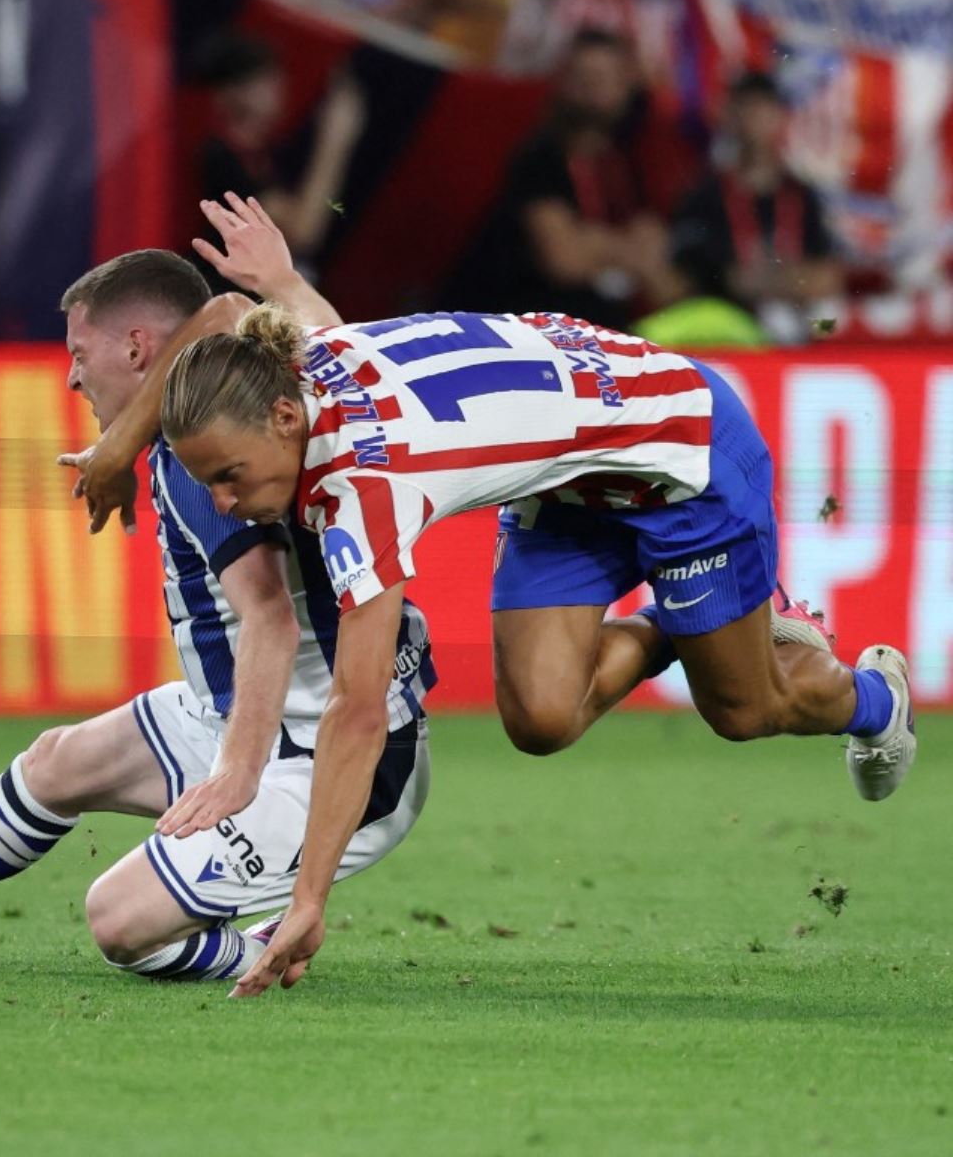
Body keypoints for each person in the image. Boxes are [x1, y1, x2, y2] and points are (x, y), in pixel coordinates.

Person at [140, 249, 916, 996]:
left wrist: (308, 899)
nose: (224, 504)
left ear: (285, 419)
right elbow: (260, 317)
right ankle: (683, 624)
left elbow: (360, 709)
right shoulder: (297, 362)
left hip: (681, 452)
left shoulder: (359, 487)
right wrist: (120, 450)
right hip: (567, 483)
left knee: (745, 710)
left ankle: (877, 699)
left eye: (229, 477)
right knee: (542, 719)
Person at [0, 246, 435, 983]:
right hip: (252, 716)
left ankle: (266, 951)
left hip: (328, 757)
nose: (71, 376)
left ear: (136, 349)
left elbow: (270, 618)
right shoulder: (227, 422)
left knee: (121, 921)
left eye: (79, 352)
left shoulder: (207, 458)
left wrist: (238, 772)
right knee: (57, 764)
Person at [456, 29, 679, 330]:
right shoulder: (540, 157)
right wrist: (623, 248)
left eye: (604, 79)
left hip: (604, 331)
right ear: (563, 82)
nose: (591, 90)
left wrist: (594, 241)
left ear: (626, 86)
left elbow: (656, 262)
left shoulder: (627, 165)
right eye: (582, 77)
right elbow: (564, 260)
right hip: (528, 326)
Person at [664, 72, 842, 346]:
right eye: (746, 110)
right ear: (730, 117)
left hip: (793, 316)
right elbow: (699, 276)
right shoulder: (705, 197)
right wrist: (781, 279)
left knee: (831, 320)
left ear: (780, 118)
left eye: (763, 110)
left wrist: (770, 280)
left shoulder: (802, 195)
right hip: (726, 326)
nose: (755, 121)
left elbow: (827, 276)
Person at [192, 32, 365, 285]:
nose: (278, 91)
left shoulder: (266, 157)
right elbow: (302, 231)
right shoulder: (221, 158)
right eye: (265, 82)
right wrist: (335, 140)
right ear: (232, 91)